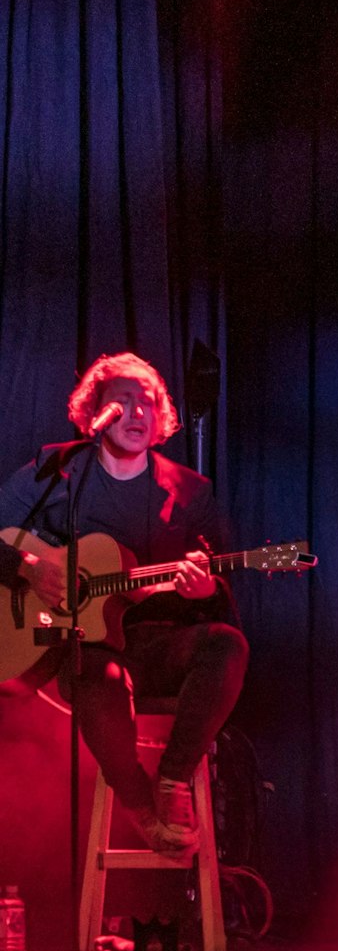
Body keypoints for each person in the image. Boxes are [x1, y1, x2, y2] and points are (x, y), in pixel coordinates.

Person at [0, 353, 245, 861]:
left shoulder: (190, 492)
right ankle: (139, 804)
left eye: (148, 403)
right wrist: (26, 564)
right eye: (123, 401)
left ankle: (173, 785)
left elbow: (219, 587)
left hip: (157, 642)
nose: (136, 413)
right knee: (98, 672)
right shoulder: (57, 468)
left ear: (161, 419)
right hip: (80, 645)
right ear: (96, 411)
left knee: (226, 644)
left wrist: (204, 592)